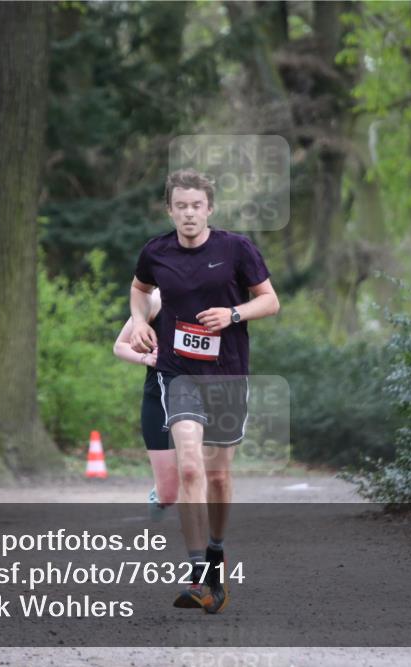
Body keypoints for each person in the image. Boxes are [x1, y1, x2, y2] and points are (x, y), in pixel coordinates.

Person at [128, 168, 280, 614]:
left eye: (197, 205)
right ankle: (199, 575)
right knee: (190, 467)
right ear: (170, 209)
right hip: (179, 374)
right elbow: (140, 290)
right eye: (181, 206)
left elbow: (269, 300)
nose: (189, 214)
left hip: (228, 373)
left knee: (216, 475)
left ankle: (216, 550)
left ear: (209, 208)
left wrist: (233, 315)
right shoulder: (156, 251)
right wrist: (139, 321)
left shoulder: (236, 248)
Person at [111, 288, 179, 518]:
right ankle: (160, 494)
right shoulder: (157, 300)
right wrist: (146, 358)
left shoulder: (215, 299)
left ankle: (203, 537)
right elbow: (120, 345)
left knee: (198, 469)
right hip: (160, 396)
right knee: (169, 492)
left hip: (204, 392)